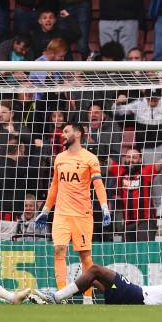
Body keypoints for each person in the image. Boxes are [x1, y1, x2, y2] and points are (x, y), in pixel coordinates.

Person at [34, 122, 110, 304]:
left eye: (66, 131)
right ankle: (61, 296)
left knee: (84, 255)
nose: (62, 134)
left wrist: (105, 207)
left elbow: (98, 184)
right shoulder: (59, 158)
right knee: (59, 249)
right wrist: (46, 210)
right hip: (61, 213)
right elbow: (54, 186)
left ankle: (87, 297)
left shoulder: (90, 158)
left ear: (77, 134)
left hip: (82, 214)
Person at [35, 243, 162, 305]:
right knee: (94, 281)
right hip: (133, 296)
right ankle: (59, 298)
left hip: (136, 295)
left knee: (95, 270)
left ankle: (56, 298)